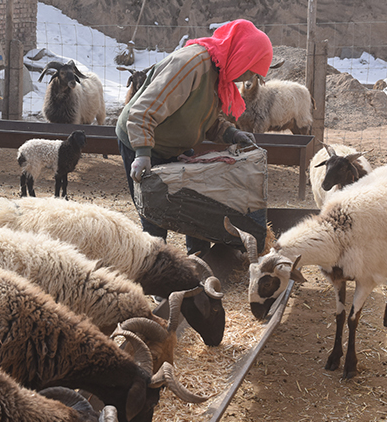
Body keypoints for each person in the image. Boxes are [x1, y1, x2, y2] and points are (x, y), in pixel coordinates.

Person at [115, 19, 273, 256]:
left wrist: (232, 133)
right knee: (154, 213)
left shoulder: (220, 72)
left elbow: (206, 119)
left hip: (174, 144)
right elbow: (143, 111)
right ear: (241, 55)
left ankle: (199, 265)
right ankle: (158, 275)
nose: (247, 79)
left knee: (197, 202)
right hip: (142, 139)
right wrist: (143, 153)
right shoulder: (190, 64)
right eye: (250, 70)